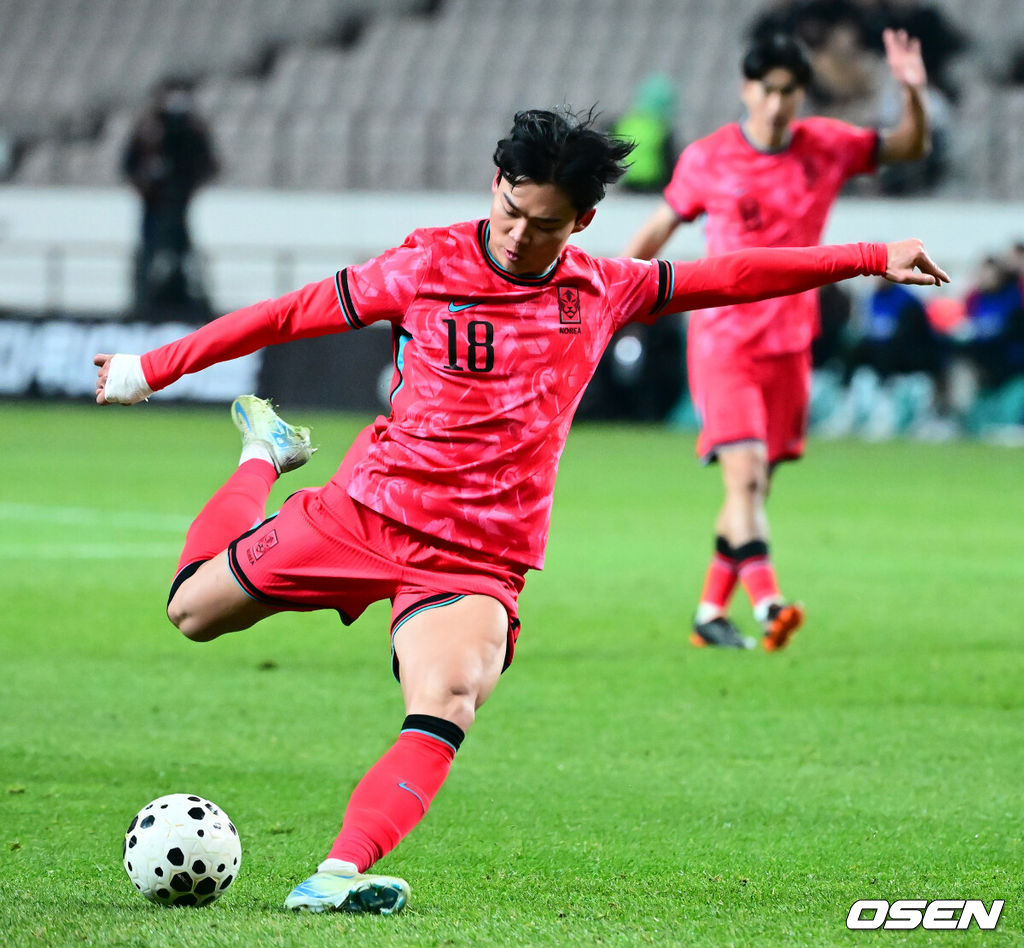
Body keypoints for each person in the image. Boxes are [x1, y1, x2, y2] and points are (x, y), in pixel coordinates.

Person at [93, 108, 947, 915]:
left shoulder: (602, 288)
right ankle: (263, 456)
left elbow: (732, 275)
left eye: (543, 224)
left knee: (450, 695)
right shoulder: (423, 263)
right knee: (192, 612)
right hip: (366, 510)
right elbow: (285, 313)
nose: (517, 233)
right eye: (510, 208)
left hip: (475, 555)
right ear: (496, 181)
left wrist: (869, 254)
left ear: (580, 221)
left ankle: (336, 873)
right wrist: (153, 368)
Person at [622, 30, 932, 651]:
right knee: (745, 478)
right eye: (769, 90)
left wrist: (911, 91)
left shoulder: (827, 145)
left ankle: (710, 614)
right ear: (747, 89)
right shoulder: (709, 158)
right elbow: (658, 227)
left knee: (755, 487)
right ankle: (768, 604)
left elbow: (908, 145)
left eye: (791, 92)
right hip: (723, 340)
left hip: (790, 339)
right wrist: (611, 298)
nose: (779, 103)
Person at [122, 77, 219, 319]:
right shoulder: (147, 131)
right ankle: (142, 301)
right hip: (153, 204)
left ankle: (190, 296)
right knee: (149, 251)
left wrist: (187, 185)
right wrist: (146, 183)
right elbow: (129, 166)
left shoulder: (194, 131)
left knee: (183, 251)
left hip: (180, 205)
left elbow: (208, 165)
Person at [609, 74, 680, 193]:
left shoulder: (623, 123)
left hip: (626, 185)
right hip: (653, 187)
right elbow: (668, 161)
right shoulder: (661, 129)